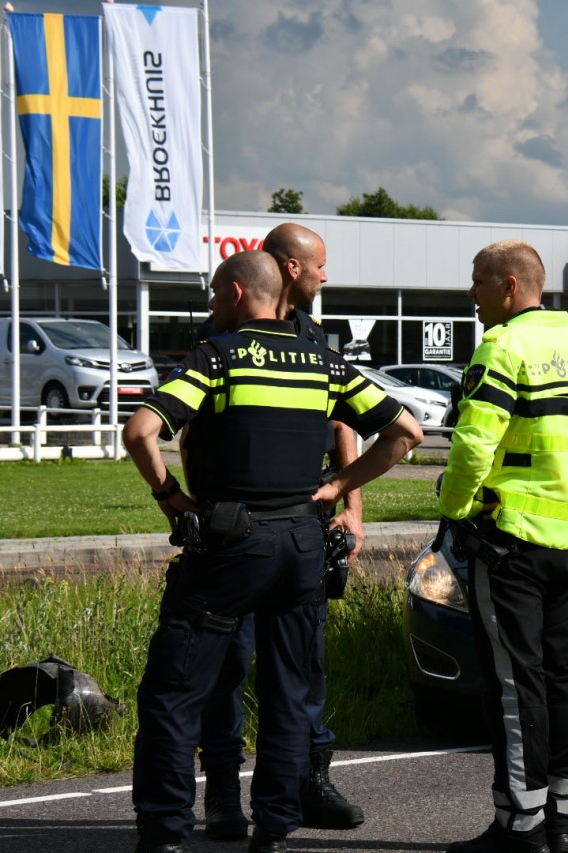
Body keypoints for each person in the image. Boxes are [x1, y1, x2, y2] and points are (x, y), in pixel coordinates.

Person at [125, 249, 423, 853]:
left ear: (237, 294)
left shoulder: (220, 357)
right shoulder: (323, 362)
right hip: (303, 546)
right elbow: (406, 432)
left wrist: (169, 497)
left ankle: (165, 832)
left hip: (231, 545)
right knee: (290, 694)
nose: (210, 304)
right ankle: (277, 828)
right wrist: (341, 487)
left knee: (176, 689)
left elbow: (140, 430)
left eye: (213, 294)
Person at [437, 240, 568, 853]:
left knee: (512, 682)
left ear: (508, 286)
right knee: (564, 678)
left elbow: (476, 442)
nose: (470, 295)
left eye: (477, 281)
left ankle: (521, 826)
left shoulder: (503, 347)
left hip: (510, 545)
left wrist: (455, 510)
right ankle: (561, 819)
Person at [196, 224, 369, 840]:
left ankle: (306, 781)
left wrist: (350, 502)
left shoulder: (317, 338)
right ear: (291, 269)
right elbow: (191, 433)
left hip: (305, 520)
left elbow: (345, 420)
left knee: (303, 663)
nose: (327, 276)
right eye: (320, 266)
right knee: (226, 664)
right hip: (238, 526)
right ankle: (222, 790)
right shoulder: (223, 332)